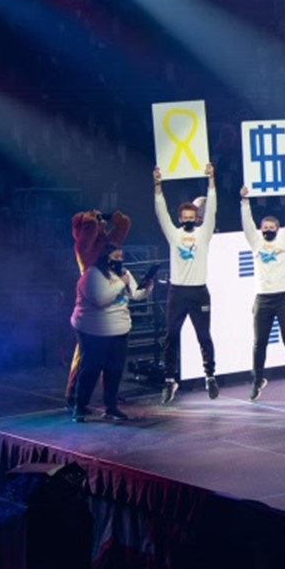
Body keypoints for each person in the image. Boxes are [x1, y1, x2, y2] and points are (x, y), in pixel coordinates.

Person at [153, 164, 217, 403]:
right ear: (180, 219)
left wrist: (211, 179)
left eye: (193, 218)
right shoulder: (174, 234)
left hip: (199, 292)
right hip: (177, 292)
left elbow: (212, 209)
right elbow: (161, 212)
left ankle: (210, 375)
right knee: (171, 335)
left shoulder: (204, 233)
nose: (189, 220)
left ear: (197, 218)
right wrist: (158, 184)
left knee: (203, 336)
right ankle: (170, 380)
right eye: (185, 218)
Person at [68, 244, 153, 421]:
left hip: (119, 329)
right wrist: (122, 282)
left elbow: (135, 295)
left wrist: (147, 288)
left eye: (122, 257)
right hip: (93, 330)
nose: (119, 261)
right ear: (105, 257)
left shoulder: (124, 274)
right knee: (91, 369)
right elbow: (101, 299)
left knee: (114, 370)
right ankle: (80, 406)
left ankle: (111, 406)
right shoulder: (91, 276)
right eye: (116, 257)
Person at [241, 181, 285, 400]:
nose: (268, 230)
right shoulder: (256, 241)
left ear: (278, 228)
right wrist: (244, 202)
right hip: (263, 299)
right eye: (265, 228)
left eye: (271, 227)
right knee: (259, 343)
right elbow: (247, 224)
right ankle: (257, 380)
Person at [66, 203, 131, 400]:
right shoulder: (83, 246)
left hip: (110, 299)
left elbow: (124, 225)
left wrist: (113, 218)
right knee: (85, 357)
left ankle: (109, 394)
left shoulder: (106, 243)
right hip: (92, 300)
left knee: (110, 357)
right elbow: (88, 231)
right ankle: (73, 395)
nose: (100, 223)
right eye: (97, 221)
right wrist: (92, 219)